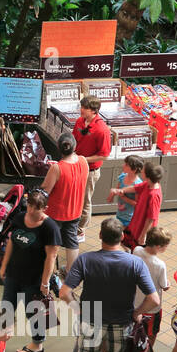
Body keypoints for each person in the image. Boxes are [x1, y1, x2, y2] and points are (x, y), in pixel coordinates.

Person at [60, 218, 159, 352]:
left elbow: (64, 292)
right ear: (122, 237)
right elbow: (155, 299)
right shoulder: (134, 263)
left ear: (100, 237)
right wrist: (136, 312)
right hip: (122, 321)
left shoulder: (85, 260)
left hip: (91, 319)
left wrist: (79, 310)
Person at [0, 187, 60, 352]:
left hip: (33, 280)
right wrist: (4, 266)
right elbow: (11, 241)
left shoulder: (50, 228)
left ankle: (37, 344)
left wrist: (45, 282)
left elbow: (51, 257)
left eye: (36, 208)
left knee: (33, 312)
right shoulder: (19, 218)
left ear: (44, 209)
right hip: (13, 274)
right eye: (30, 205)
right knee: (6, 306)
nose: (31, 210)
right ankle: (2, 337)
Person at [39, 131, 88, 267]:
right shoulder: (84, 161)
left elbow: (45, 191)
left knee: (52, 243)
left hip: (56, 213)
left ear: (58, 147)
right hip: (75, 211)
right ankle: (70, 272)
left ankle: (48, 272)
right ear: (74, 146)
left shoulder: (56, 168)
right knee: (72, 241)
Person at [131, 226, 172, 352]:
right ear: (159, 246)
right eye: (166, 245)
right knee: (150, 334)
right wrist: (168, 286)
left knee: (133, 330)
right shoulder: (160, 265)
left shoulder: (136, 250)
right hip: (152, 308)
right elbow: (164, 285)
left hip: (135, 302)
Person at [73, 95, 112, 243]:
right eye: (81, 107)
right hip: (77, 167)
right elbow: (74, 140)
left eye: (85, 108)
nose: (81, 110)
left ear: (94, 111)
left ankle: (81, 231)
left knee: (85, 201)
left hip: (90, 171)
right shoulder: (79, 121)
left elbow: (104, 155)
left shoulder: (101, 130)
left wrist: (83, 159)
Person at [114, 161, 162, 251]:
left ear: (148, 176)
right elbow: (135, 188)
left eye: (143, 172)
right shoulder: (147, 184)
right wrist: (121, 190)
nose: (141, 173)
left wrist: (143, 235)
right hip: (136, 224)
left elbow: (151, 218)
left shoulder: (154, 195)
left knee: (138, 253)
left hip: (142, 229)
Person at [107, 155, 143, 230]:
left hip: (130, 217)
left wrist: (124, 197)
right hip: (120, 214)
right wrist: (112, 195)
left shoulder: (138, 185)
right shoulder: (123, 177)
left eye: (126, 165)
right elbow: (117, 190)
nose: (123, 165)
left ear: (134, 169)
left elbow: (137, 204)